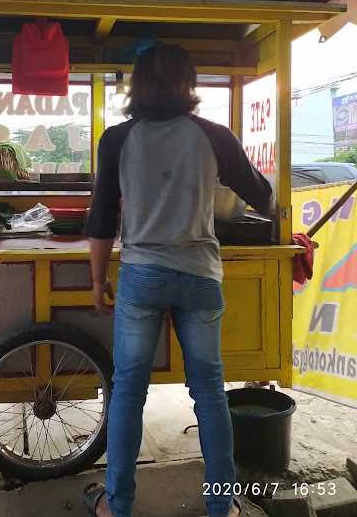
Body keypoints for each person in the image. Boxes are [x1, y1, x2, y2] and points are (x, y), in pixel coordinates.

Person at [83, 44, 272, 517]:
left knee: (128, 390)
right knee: (209, 392)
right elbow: (262, 195)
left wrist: (96, 279)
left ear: (136, 87)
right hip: (199, 276)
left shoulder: (117, 139)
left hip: (142, 277)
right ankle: (221, 507)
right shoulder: (213, 136)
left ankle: (117, 506)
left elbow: (102, 218)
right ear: (189, 86)